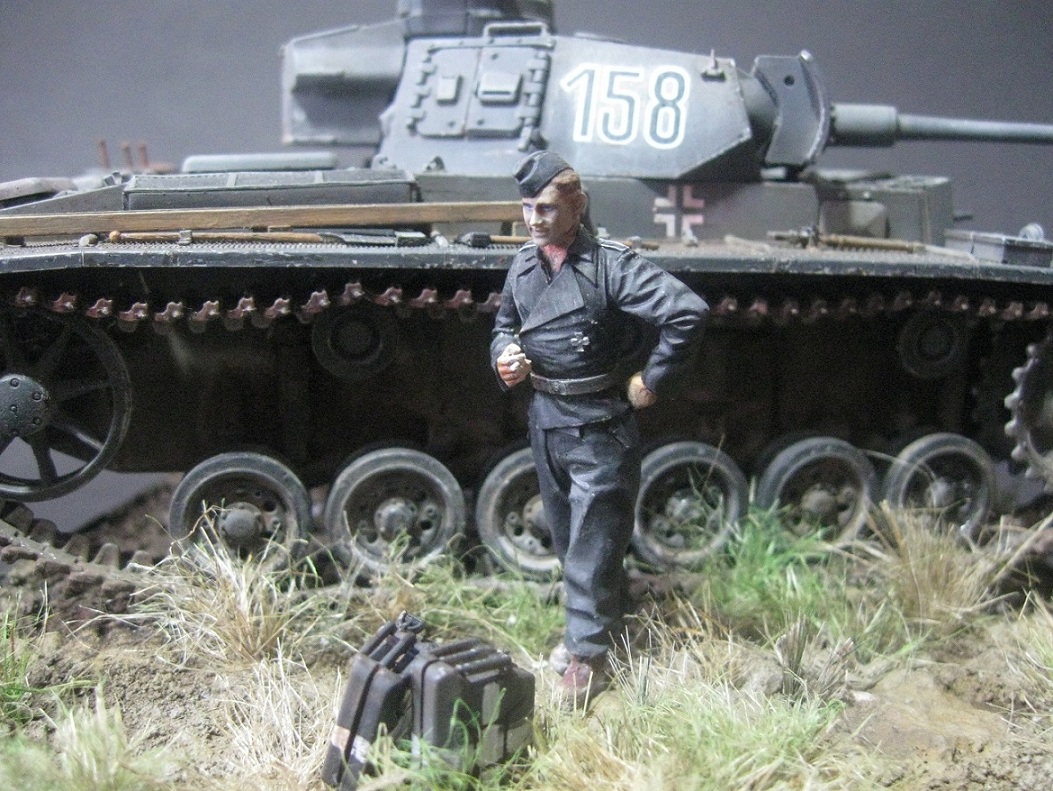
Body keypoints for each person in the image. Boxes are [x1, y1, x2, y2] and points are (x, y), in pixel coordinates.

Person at [490, 150, 708, 706]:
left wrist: (653, 380)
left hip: (597, 423)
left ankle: (588, 655)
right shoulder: (524, 264)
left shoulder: (610, 266)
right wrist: (504, 357)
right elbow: (504, 325)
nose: (533, 220)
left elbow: (687, 311)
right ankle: (599, 626)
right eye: (526, 208)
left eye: (545, 208)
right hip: (547, 418)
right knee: (570, 538)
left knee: (593, 542)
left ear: (577, 206)